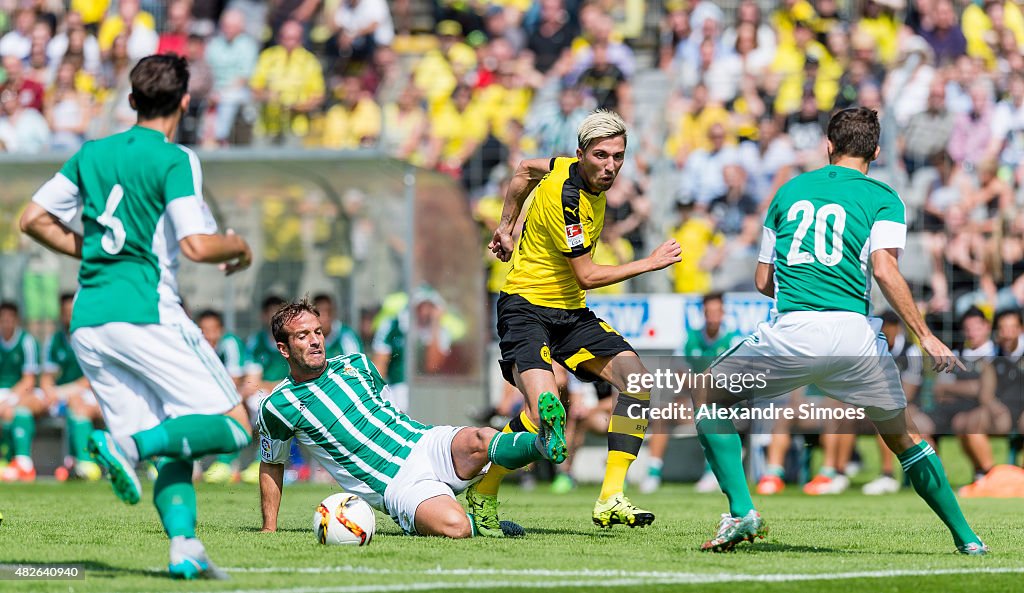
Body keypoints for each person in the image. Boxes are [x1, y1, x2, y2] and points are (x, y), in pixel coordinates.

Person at [692, 107, 987, 555]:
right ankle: (968, 540)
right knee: (905, 440)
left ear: (828, 145)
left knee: (708, 395)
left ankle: (741, 509)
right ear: (877, 151)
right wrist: (925, 334)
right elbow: (885, 269)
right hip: (856, 336)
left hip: (796, 330)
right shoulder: (885, 197)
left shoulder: (789, 191)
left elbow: (762, 281)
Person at [20, 54, 255, 579]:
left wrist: (92, 253)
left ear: (131, 101)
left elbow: (32, 219)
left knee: (177, 433)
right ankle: (127, 447)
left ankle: (184, 547)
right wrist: (238, 246)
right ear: (186, 103)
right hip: (145, 313)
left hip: (88, 320)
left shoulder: (91, 153)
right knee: (239, 425)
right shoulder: (175, 159)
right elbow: (196, 246)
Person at [476, 109, 682, 536]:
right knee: (543, 415)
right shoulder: (567, 198)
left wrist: (506, 226)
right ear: (581, 154)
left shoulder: (564, 166)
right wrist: (649, 262)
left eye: (618, 157)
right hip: (525, 308)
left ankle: (611, 496)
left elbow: (523, 168)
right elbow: (587, 274)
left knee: (638, 382)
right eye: (601, 156)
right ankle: (484, 490)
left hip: (570, 313)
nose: (610, 166)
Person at [257, 299, 567, 538]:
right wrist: (270, 529)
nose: (315, 341)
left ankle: (543, 443)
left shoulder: (356, 363)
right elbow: (272, 463)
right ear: (284, 348)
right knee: (455, 526)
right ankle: (483, 524)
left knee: (481, 438)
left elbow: (388, 408)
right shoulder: (278, 405)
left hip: (422, 442)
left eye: (318, 332)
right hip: (397, 484)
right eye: (303, 336)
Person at [641, 292, 741, 494]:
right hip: (691, 400)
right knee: (663, 413)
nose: (713, 316)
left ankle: (711, 472)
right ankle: (653, 472)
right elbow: (680, 373)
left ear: (723, 313)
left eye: (717, 311)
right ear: (703, 313)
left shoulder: (734, 340)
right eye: (708, 311)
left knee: (716, 414)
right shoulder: (690, 338)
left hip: (724, 404)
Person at [40, 293, 103, 481]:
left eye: (72, 311)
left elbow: (91, 379)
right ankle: (71, 462)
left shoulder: (90, 337)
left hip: (92, 395)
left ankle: (86, 462)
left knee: (76, 404)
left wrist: (61, 392)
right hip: (64, 397)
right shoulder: (54, 340)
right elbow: (46, 377)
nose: (69, 316)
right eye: (65, 312)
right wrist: (50, 392)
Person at [197, 309, 254, 484]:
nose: (208, 335)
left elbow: (233, 382)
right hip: (209, 396)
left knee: (233, 406)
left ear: (221, 330)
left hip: (235, 396)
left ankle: (226, 464)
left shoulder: (230, 344)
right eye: (204, 330)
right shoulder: (195, 346)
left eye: (212, 329)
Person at [0, 302, 42, 482]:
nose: (6, 323)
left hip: (20, 392)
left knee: (14, 411)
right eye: (3, 319)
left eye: (10, 319)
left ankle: (19, 463)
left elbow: (29, 380)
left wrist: (9, 398)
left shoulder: (26, 341)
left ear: (16, 321)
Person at [312, 293, 363, 357]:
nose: (323, 319)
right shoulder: (308, 338)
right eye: (318, 314)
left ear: (333, 314)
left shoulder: (346, 336)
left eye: (327, 313)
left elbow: (355, 364)